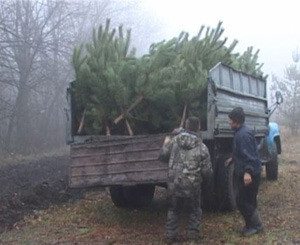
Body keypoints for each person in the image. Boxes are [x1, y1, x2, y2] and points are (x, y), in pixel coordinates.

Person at [159, 117, 213, 244]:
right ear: (198, 127)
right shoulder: (202, 147)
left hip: (174, 184)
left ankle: (170, 236)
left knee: (174, 210)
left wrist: (165, 143)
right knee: (194, 210)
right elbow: (207, 172)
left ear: (186, 127)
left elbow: (162, 156)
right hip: (192, 186)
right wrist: (205, 183)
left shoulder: (174, 141)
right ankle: (192, 237)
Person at [226, 107, 263, 236]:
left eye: (230, 120)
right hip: (250, 171)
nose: (229, 122)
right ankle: (250, 225)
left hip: (251, 173)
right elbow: (243, 152)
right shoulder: (241, 132)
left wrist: (248, 172)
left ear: (236, 120)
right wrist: (233, 159)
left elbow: (250, 156)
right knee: (247, 200)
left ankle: (256, 226)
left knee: (244, 200)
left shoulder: (243, 135)